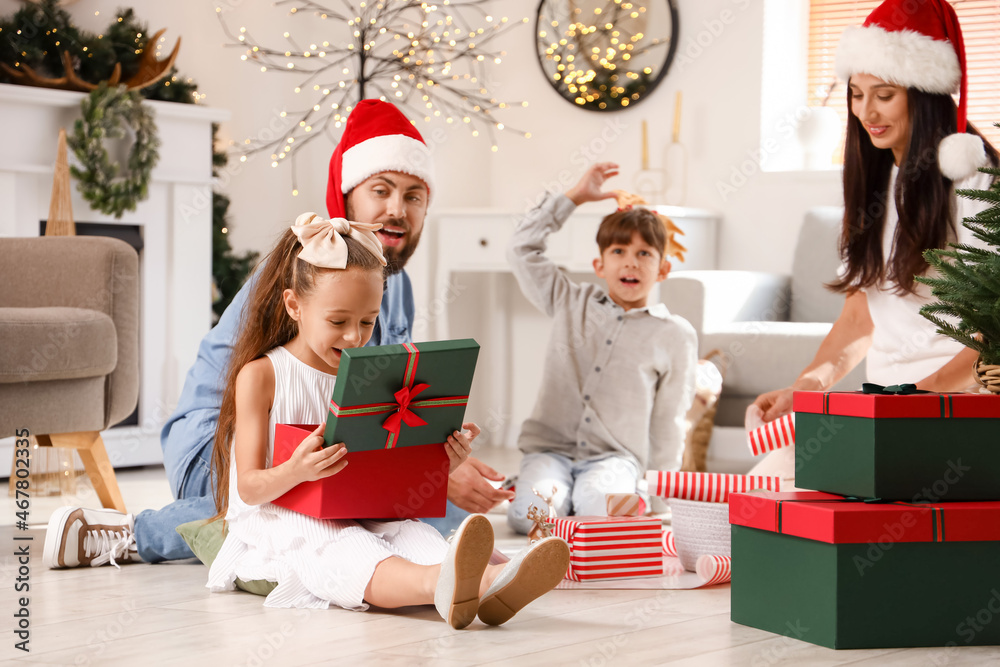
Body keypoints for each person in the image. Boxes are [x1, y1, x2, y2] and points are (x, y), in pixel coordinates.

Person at [42, 100, 513, 569]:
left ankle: (469, 563)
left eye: (413, 196)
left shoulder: (397, 285)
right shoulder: (304, 268)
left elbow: (375, 403)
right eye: (381, 190)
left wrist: (432, 465)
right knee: (308, 513)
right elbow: (266, 411)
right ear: (348, 196)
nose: (397, 209)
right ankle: (134, 533)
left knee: (422, 511)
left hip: (312, 443)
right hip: (225, 441)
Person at [203, 213, 568, 627]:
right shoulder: (263, 375)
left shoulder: (365, 374)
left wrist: (443, 460)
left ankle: (490, 580)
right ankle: (444, 585)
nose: (355, 338)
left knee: (415, 534)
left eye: (367, 321)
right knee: (347, 547)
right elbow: (249, 489)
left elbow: (384, 472)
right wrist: (296, 470)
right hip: (281, 520)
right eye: (337, 322)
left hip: (356, 510)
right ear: (294, 306)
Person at [753, 0, 999, 426]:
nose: (867, 112)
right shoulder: (875, 185)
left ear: (923, 96)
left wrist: (921, 396)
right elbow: (858, 317)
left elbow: (993, 328)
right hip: (884, 407)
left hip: (958, 405)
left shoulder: (974, 178)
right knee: (775, 481)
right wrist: (805, 388)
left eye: (884, 95)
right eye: (856, 94)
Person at [506, 162, 698, 534]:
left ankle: (613, 503)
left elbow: (669, 421)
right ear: (599, 264)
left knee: (602, 515)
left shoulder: (674, 334)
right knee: (531, 517)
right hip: (550, 451)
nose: (631, 260)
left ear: (662, 270)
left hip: (614, 459)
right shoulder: (568, 301)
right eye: (619, 250)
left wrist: (659, 498)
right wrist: (574, 198)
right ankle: (532, 492)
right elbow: (520, 248)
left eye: (645, 254)